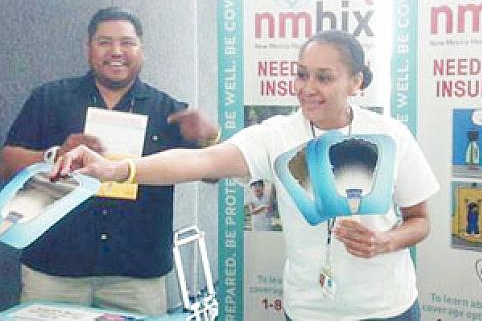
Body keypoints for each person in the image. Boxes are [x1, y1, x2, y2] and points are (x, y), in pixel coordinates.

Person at [54, 30, 440, 320]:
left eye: (324, 78)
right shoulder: (277, 135)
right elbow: (201, 163)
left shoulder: (390, 136)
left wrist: (385, 242)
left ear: (356, 82)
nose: (307, 89)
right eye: (301, 75)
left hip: (389, 308)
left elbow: (419, 221)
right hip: (308, 310)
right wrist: (117, 169)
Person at [0, 7, 219, 316]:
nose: (116, 51)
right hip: (54, 269)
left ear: (141, 49)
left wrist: (207, 140)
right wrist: (53, 155)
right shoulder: (49, 98)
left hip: (136, 276)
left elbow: (211, 175)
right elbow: (7, 163)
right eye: (104, 42)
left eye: (127, 43)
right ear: (89, 49)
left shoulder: (167, 110)